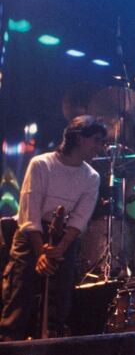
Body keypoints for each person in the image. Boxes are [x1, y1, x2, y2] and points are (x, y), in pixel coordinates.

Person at [0, 115, 106, 341]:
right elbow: (30, 212)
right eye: (96, 140)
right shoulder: (41, 164)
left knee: (58, 307)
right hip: (31, 235)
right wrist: (41, 253)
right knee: (18, 300)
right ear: (79, 138)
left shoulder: (91, 177)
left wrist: (60, 248)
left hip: (64, 239)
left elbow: (80, 218)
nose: (100, 147)